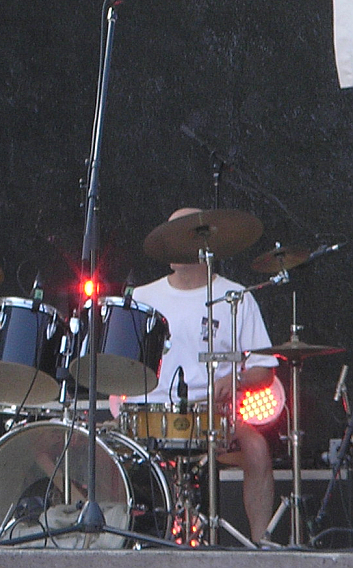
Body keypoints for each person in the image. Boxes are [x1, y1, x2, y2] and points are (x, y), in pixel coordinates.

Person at [125, 207, 278, 545]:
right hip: (149, 415)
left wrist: (235, 382)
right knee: (102, 447)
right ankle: (111, 542)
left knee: (256, 448)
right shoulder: (142, 298)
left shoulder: (236, 297)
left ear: (201, 242)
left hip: (214, 416)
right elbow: (119, 365)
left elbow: (264, 370)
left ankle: (261, 547)